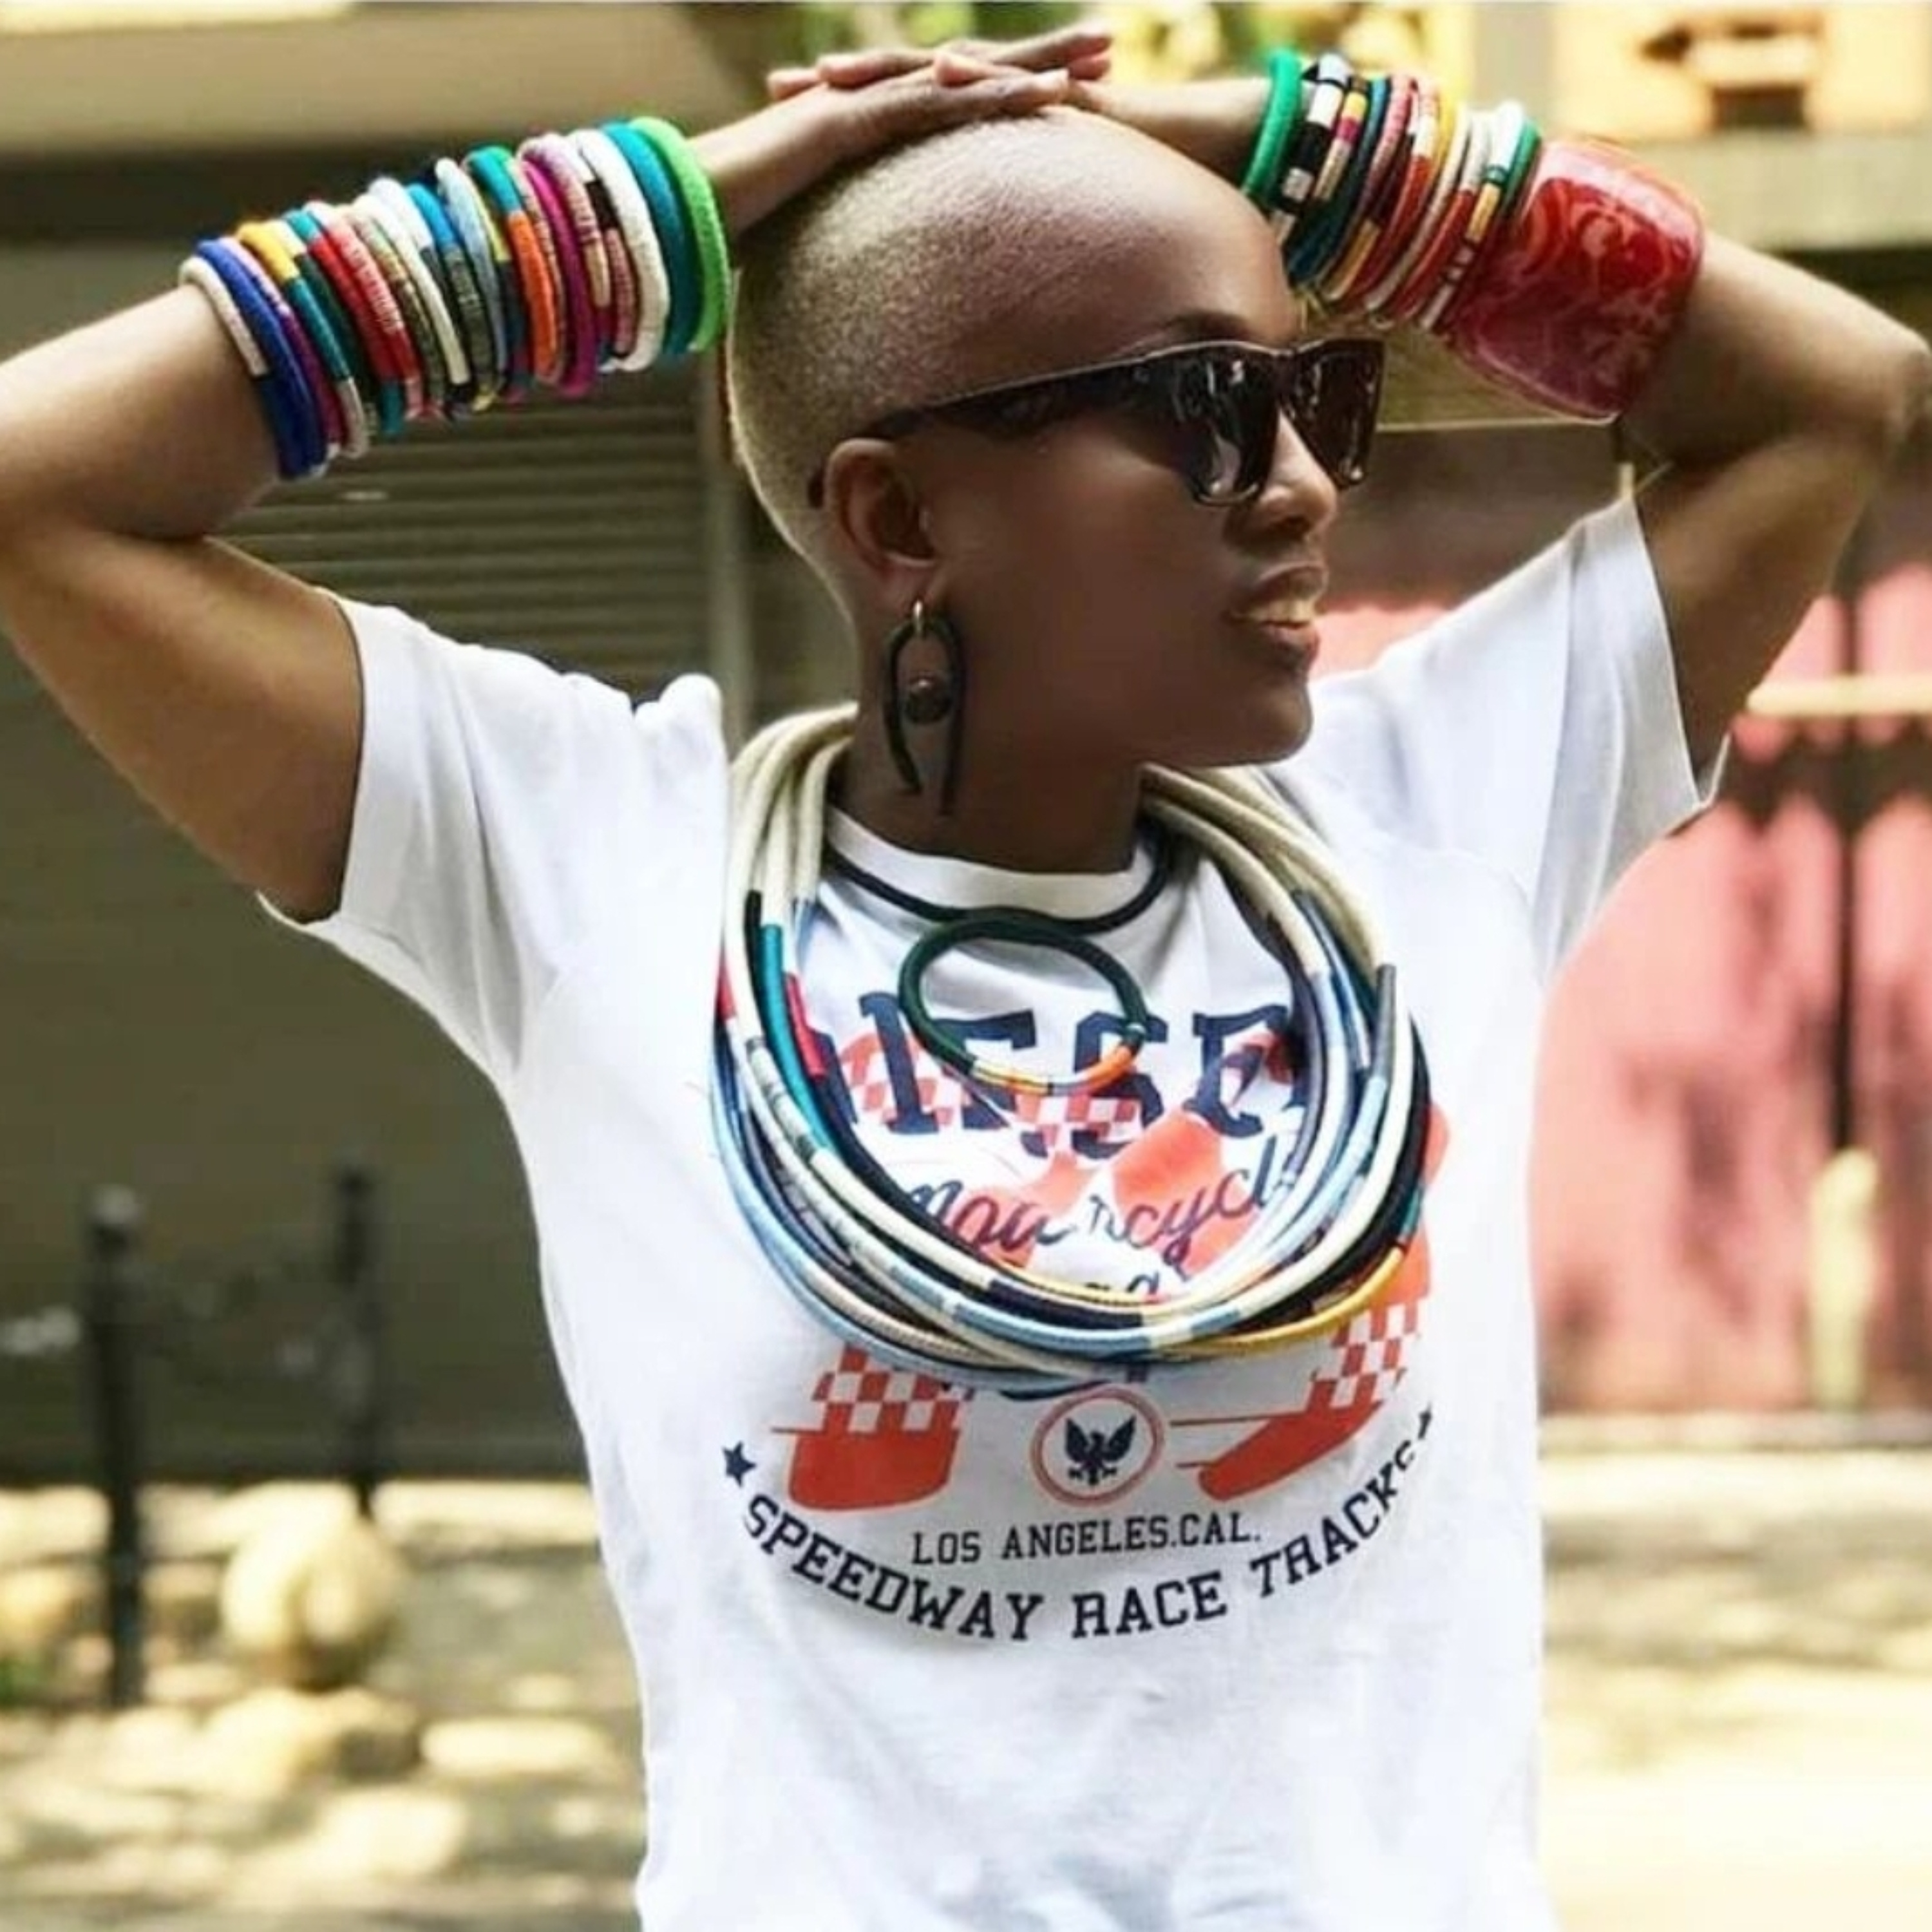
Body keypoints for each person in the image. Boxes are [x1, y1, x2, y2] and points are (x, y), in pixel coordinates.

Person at [0, 19, 1924, 1929]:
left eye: (1315, 398)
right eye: (1202, 406)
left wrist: (1252, 143)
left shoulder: (1440, 812)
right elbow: (36, 481)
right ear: (901, 517)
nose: (1301, 488)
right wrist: (650, 218)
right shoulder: (587, 864)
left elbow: (1837, 389)